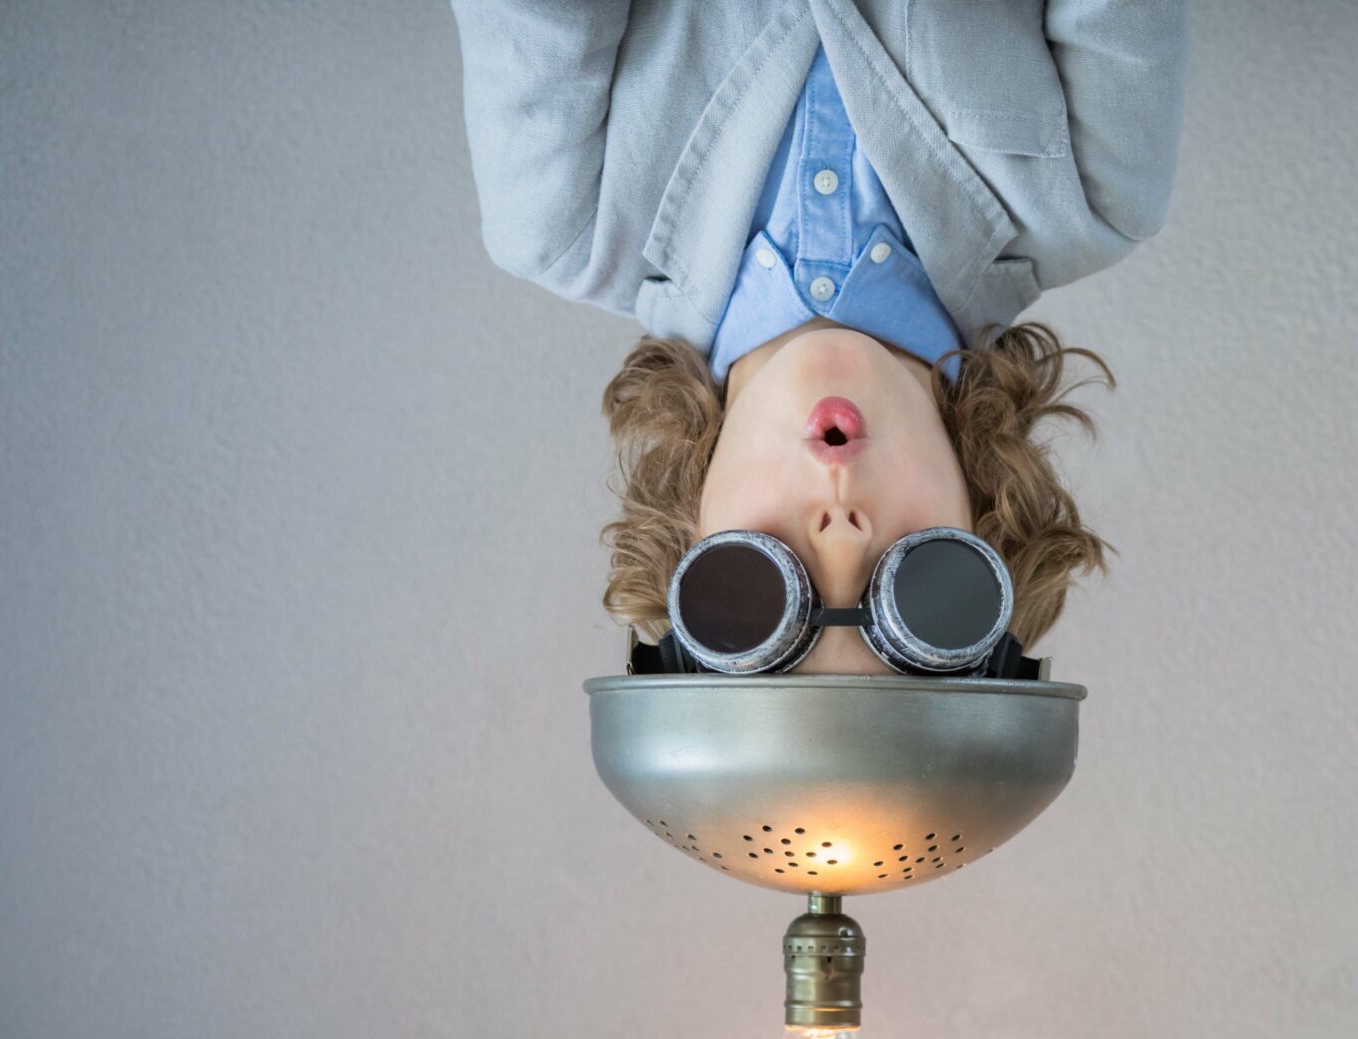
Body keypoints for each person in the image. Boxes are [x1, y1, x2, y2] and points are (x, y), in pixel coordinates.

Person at [450, 0, 1189, 670]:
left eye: (758, 579)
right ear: (988, 525)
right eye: (921, 576)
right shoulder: (1097, 196)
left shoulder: (561, 216)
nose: (841, 530)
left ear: (684, 537)